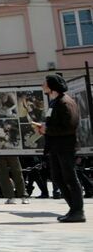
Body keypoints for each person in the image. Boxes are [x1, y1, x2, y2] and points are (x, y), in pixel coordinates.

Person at [32, 74, 84, 223]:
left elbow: (69, 126)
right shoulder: (55, 102)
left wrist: (47, 130)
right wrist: (44, 128)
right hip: (56, 147)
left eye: (45, 83)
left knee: (70, 178)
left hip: (65, 147)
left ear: (51, 86)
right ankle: (73, 209)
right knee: (58, 178)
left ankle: (78, 210)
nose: (42, 85)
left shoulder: (65, 102)